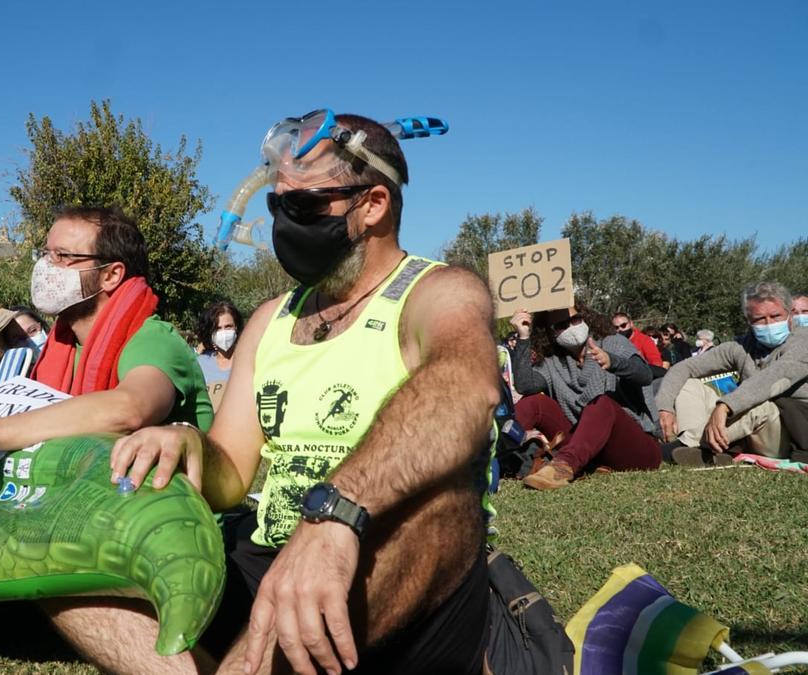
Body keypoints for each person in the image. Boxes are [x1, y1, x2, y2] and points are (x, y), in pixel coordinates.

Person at [48, 112, 499, 675]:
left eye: (305, 207)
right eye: (276, 205)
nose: (287, 222)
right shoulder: (269, 320)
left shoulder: (437, 292)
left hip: (380, 559)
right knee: (73, 575)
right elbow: (233, 471)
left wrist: (335, 513)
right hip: (272, 551)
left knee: (444, 505)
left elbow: (467, 389)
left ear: (373, 205)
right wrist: (187, 444)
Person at [0, 205, 213, 497]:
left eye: (63, 257)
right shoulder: (62, 344)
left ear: (111, 274)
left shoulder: (153, 339)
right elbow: (32, 406)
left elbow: (130, 407)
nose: (45, 267)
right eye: (45, 254)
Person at [510, 303, 661, 490]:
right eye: (562, 326)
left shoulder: (612, 342)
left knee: (601, 403)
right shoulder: (553, 362)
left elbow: (644, 375)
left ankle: (563, 467)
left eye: (575, 320)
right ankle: (487, 453)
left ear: (585, 318)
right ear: (551, 333)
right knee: (534, 402)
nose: (571, 327)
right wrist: (523, 337)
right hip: (588, 451)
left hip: (635, 447)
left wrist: (613, 361)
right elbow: (525, 385)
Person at [656, 281, 808, 464]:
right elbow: (685, 367)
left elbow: (773, 378)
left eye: (775, 316)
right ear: (748, 321)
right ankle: (690, 445)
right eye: (760, 319)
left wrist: (725, 406)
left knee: (762, 405)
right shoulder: (741, 347)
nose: (769, 323)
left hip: (791, 432)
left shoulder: (803, 341)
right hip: (748, 433)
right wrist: (665, 407)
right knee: (689, 385)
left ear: (789, 315)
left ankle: (689, 447)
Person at [195, 300, 244, 411]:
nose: (224, 332)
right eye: (217, 328)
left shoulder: (248, 360)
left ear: (236, 327)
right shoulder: (200, 364)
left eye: (228, 326)